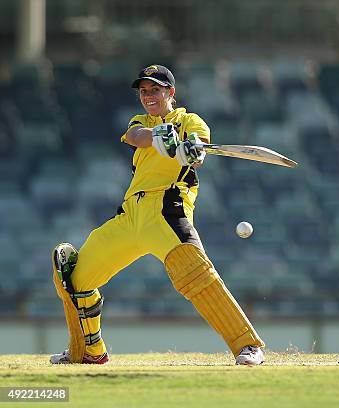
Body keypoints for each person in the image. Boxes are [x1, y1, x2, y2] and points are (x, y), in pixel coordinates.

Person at [50, 64, 265, 365]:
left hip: (166, 209)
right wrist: (158, 136)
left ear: (171, 92)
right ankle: (92, 351)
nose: (148, 95)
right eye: (144, 91)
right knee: (77, 278)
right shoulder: (141, 122)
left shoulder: (189, 120)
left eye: (155, 90)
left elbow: (200, 147)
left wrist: (192, 150)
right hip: (130, 215)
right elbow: (136, 135)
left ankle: (248, 345)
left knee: (195, 273)